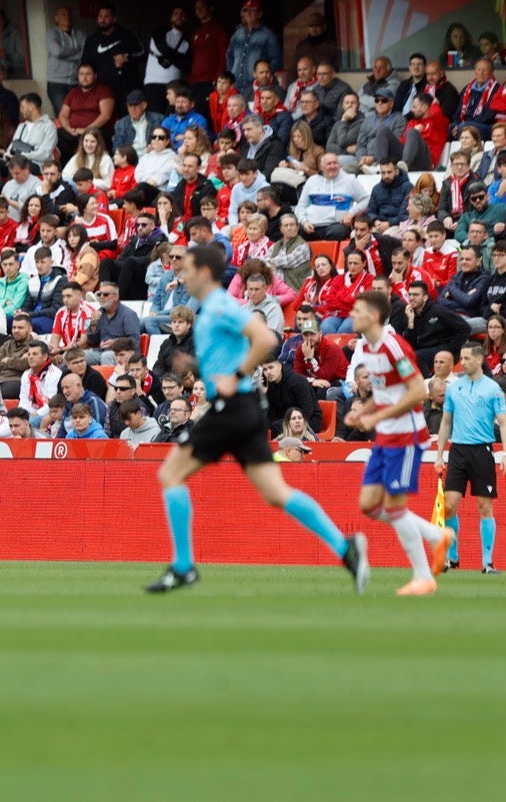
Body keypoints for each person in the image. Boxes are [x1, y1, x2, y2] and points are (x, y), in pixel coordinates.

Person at [145, 244, 367, 594]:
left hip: (230, 408)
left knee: (170, 474)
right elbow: (228, 359)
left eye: (185, 267)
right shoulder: (210, 309)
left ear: (204, 273)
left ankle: (184, 567)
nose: (180, 273)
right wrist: (200, 368)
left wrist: (236, 374)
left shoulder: (219, 304)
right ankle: (345, 549)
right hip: (244, 408)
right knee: (276, 492)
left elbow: (265, 338)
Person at [344, 290, 454, 596]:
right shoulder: (366, 347)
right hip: (386, 435)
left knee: (394, 507)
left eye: (357, 309)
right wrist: (363, 411)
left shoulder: (394, 346)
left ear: (375, 316)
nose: (351, 314)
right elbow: (384, 392)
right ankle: (436, 535)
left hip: (406, 436)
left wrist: (377, 418)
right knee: (368, 505)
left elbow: (419, 392)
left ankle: (423, 577)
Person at [434, 342, 506, 575]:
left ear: (479, 360)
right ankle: (452, 555)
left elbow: (504, 422)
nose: (463, 362)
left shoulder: (492, 389)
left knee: (484, 506)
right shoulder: (454, 388)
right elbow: (446, 421)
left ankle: (487, 562)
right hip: (458, 450)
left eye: (467, 358)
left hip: (482, 450)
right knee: (448, 506)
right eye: (461, 357)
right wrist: (439, 453)